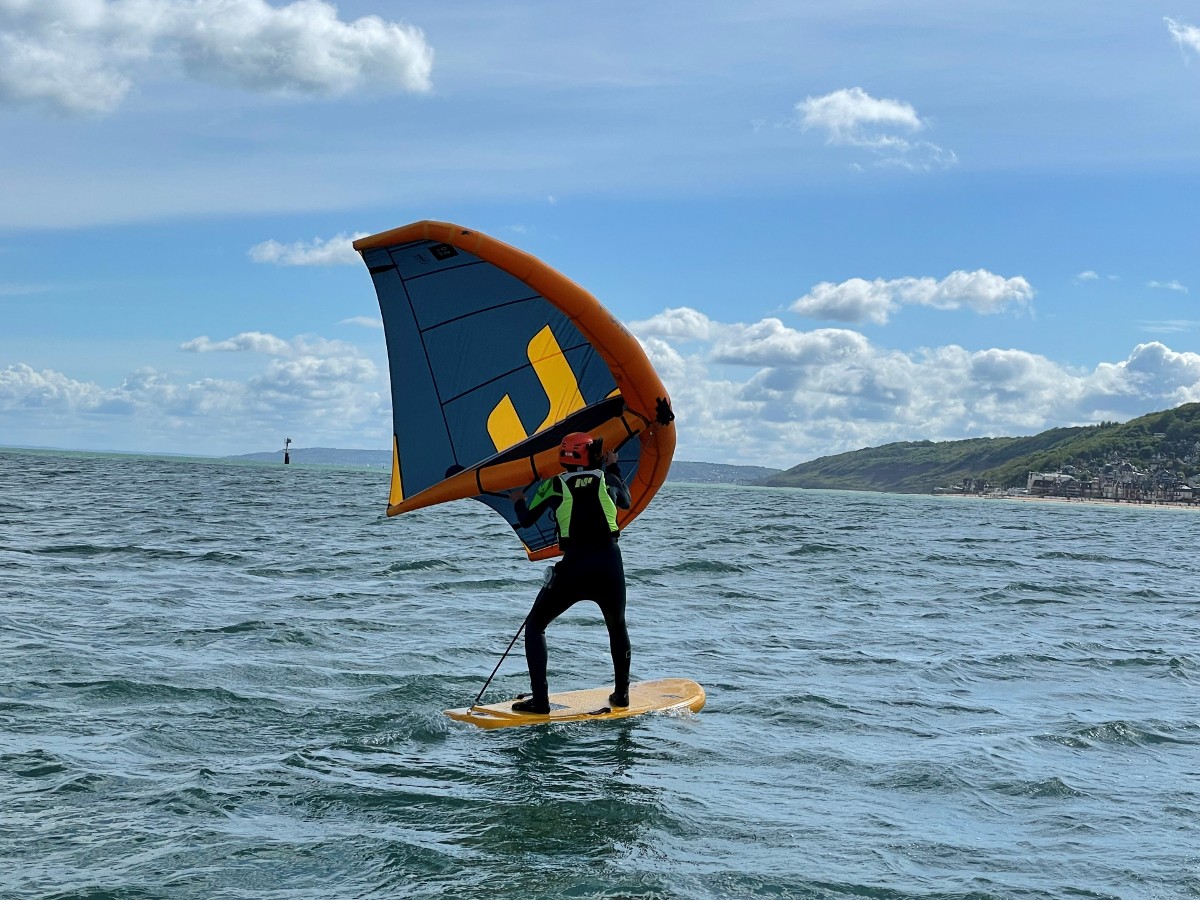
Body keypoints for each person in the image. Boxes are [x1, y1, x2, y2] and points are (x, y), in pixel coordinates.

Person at [508, 431, 632, 714]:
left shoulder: (552, 486)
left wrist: (517, 499)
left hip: (575, 565)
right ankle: (622, 694)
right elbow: (625, 500)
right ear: (590, 456)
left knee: (536, 625)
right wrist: (613, 466)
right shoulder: (608, 480)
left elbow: (526, 520)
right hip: (609, 564)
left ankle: (540, 702)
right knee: (617, 625)